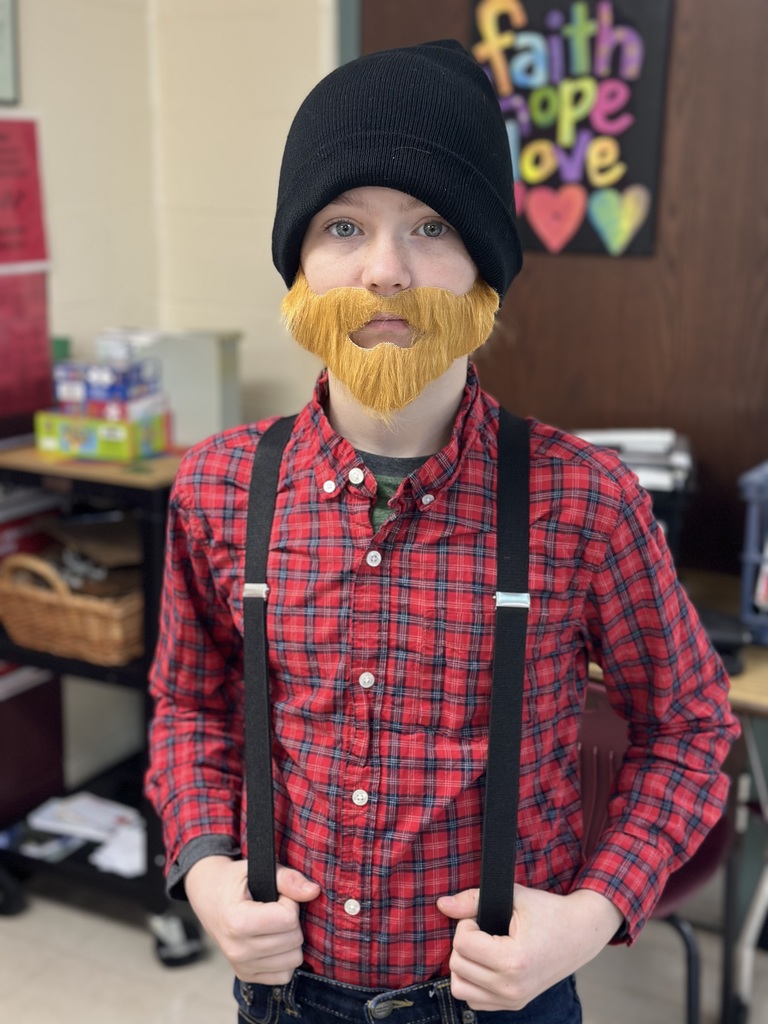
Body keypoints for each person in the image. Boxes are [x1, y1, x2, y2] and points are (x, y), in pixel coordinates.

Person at [146, 39, 739, 1024]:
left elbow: (691, 729)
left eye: (430, 225)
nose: (385, 271)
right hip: (286, 998)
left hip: (505, 1005)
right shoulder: (217, 490)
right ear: (297, 259)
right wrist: (207, 870)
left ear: (485, 267)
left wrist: (590, 918)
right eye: (344, 225)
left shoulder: (584, 502)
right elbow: (187, 706)